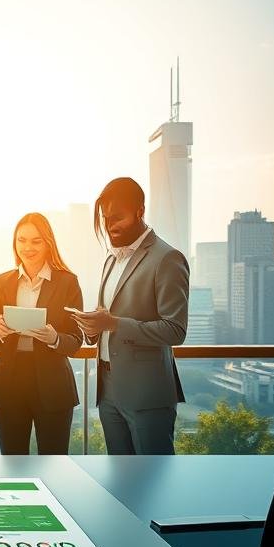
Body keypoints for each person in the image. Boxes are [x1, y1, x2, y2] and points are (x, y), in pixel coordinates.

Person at [70, 177, 189, 455]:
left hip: (147, 393)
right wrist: (92, 327)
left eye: (118, 217)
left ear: (140, 211)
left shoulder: (167, 258)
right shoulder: (111, 259)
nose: (110, 225)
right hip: (108, 390)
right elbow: (107, 319)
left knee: (153, 480)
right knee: (120, 481)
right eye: (105, 218)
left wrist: (112, 323)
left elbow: (175, 330)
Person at [0, 213, 83, 455]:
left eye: (36, 241)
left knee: (54, 461)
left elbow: (75, 340)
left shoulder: (67, 282)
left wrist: (54, 338)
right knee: (12, 461)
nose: (27, 248)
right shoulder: (2, 282)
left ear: (48, 243)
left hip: (52, 386)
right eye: (22, 240)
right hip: (9, 384)